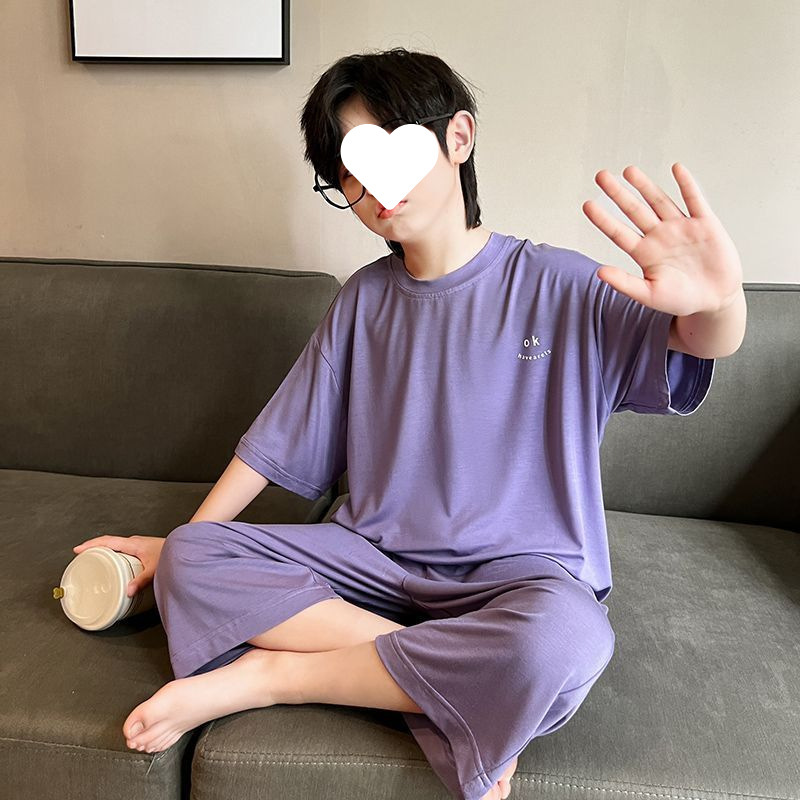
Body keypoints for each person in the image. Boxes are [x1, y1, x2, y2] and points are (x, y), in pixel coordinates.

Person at [78, 47, 722, 800]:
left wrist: (721, 303)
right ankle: (459, 683)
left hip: (521, 576)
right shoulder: (363, 298)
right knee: (194, 556)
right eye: (350, 171)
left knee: (564, 641)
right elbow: (276, 440)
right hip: (371, 561)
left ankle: (277, 676)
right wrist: (176, 549)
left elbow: (696, 339)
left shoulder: (562, 283)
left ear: (458, 138)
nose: (373, 188)